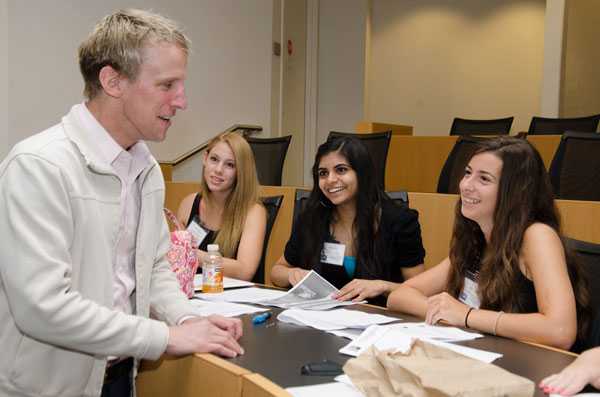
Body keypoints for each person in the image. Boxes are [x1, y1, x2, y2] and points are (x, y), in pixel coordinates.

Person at [0, 9, 243, 397]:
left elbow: (152, 267)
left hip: (118, 376)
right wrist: (165, 337)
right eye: (167, 85)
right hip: (46, 387)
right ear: (113, 81)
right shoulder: (38, 167)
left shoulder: (145, 169)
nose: (181, 101)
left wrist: (187, 318)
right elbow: (43, 308)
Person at [387, 137, 590, 350]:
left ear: (515, 191)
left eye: (484, 179)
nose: (466, 185)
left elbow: (560, 331)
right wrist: (445, 312)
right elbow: (400, 296)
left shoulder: (537, 236)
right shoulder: (475, 237)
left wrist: (467, 316)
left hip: (534, 369)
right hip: (484, 354)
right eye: (467, 173)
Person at [270, 136, 425, 306]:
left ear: (362, 173)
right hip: (323, 320)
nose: (330, 180)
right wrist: (293, 274)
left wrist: (383, 286)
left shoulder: (400, 221)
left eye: (341, 170)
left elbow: (420, 290)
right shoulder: (312, 218)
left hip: (380, 322)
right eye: (323, 173)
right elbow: (277, 272)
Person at [176, 132, 266, 281]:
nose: (218, 169)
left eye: (229, 165)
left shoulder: (254, 212)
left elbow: (245, 271)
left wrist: (194, 255)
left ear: (241, 172)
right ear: (205, 158)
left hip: (232, 300)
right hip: (192, 297)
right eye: (214, 159)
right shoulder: (189, 203)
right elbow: (176, 261)